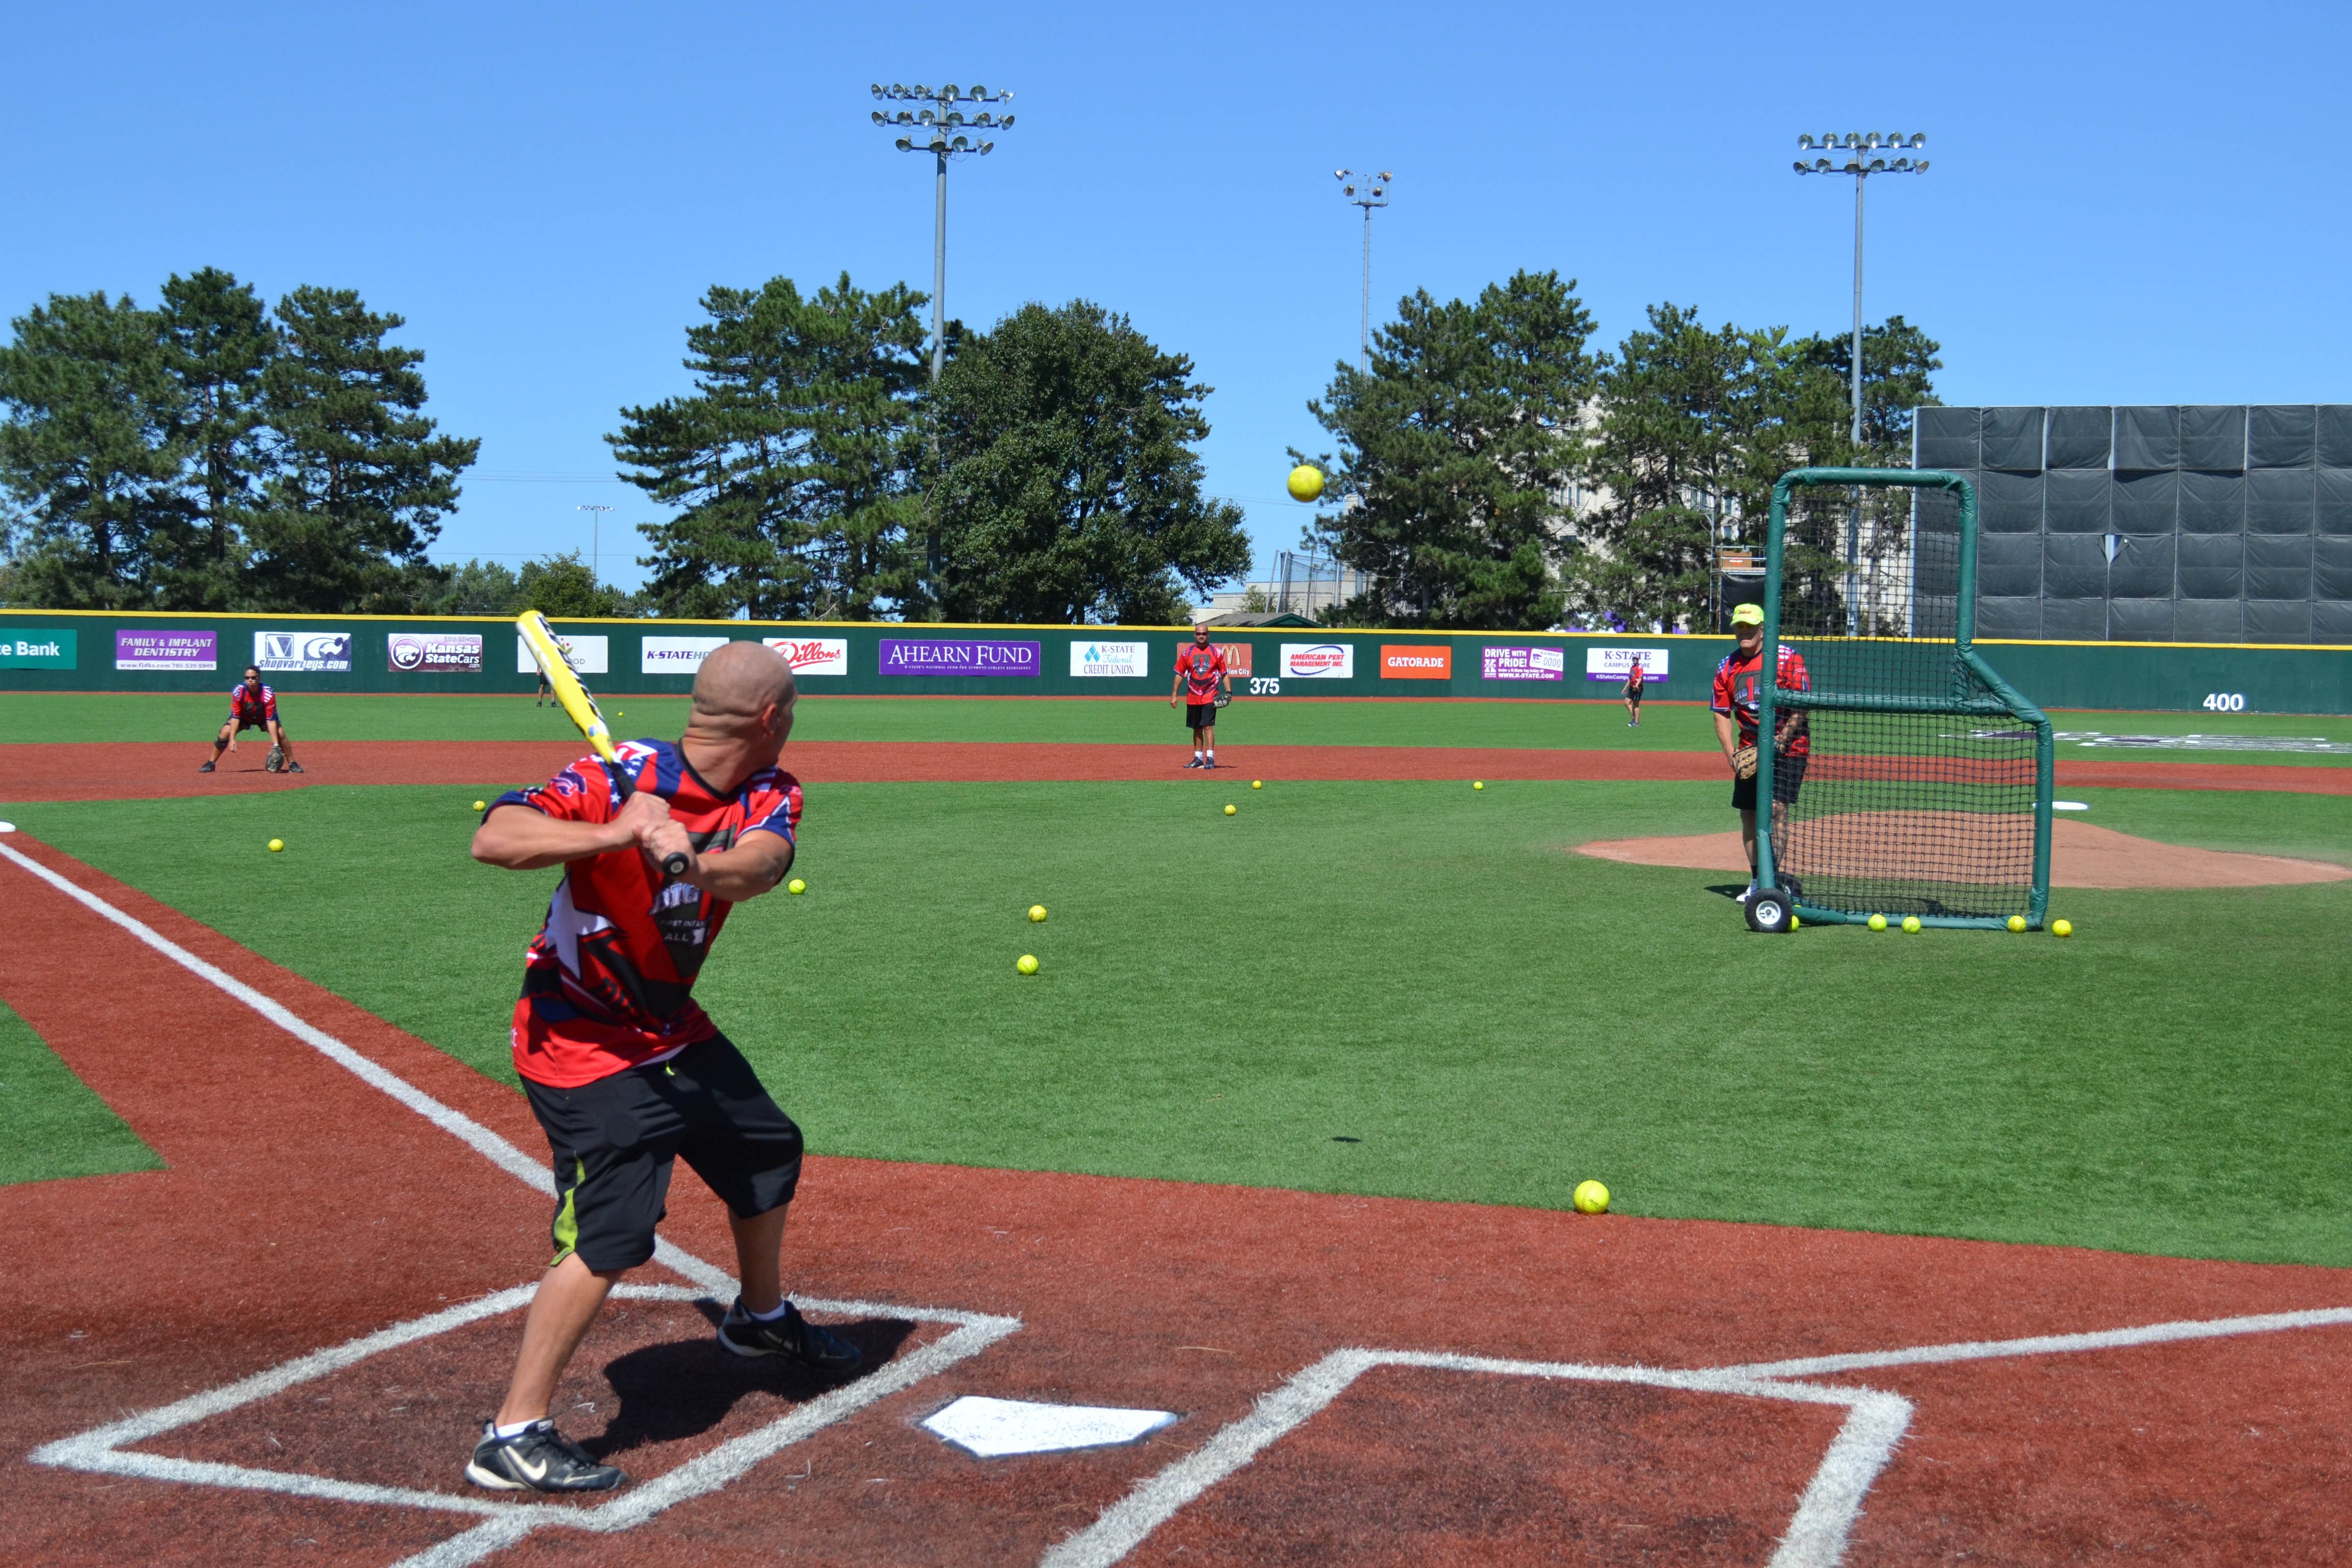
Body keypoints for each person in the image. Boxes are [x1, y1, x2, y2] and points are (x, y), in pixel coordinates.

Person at [462, 641, 858, 1496]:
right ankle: (512, 1433)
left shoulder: (769, 791)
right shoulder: (617, 776)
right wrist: (620, 830)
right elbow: (493, 838)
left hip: (667, 1025)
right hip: (578, 1032)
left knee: (763, 1146)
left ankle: (758, 1321)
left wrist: (688, 860)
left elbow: (759, 866)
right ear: (768, 718)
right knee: (613, 1225)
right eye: (791, 710)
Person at [1710, 603, 1810, 902]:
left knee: (1777, 810)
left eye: (1749, 626)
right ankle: (1757, 880)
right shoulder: (1726, 667)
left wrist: (1782, 738)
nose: (1744, 632)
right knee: (1749, 815)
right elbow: (1721, 713)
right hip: (1749, 750)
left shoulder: (1786, 659)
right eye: (1739, 626)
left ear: (1763, 629)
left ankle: (1774, 880)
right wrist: (1731, 754)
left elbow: (1802, 703)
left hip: (1789, 749)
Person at [200, 666, 303, 773]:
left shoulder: (268, 693)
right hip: (244, 717)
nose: (250, 680)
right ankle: (211, 763)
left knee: (280, 733)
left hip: (263, 717)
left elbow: (271, 720)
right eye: (247, 678)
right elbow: (236, 716)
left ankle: (292, 764)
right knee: (225, 732)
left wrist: (276, 745)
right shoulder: (239, 692)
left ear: (259, 678)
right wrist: (233, 738)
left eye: (254, 678)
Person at [1168, 623, 1230, 769]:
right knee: (1196, 727)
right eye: (1199, 634)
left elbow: (1224, 674)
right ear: (1194, 635)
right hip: (1193, 696)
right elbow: (1179, 674)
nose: (1201, 636)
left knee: (1208, 726)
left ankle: (1210, 758)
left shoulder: (1216, 652)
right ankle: (1198, 758)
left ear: (1208, 635)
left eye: (1204, 634)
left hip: (1210, 694)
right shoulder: (1187, 653)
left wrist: (1229, 692)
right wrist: (1174, 695)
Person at [1622, 657, 1646, 727]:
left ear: (1638, 660)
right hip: (1632, 687)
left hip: (1637, 688)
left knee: (1636, 705)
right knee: (1627, 703)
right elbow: (1630, 679)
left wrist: (1637, 685)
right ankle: (1634, 718)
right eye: (1634, 659)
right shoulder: (1632, 668)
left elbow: (1640, 678)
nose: (1635, 660)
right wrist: (1625, 688)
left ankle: (1636, 722)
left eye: (1636, 659)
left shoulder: (1639, 667)